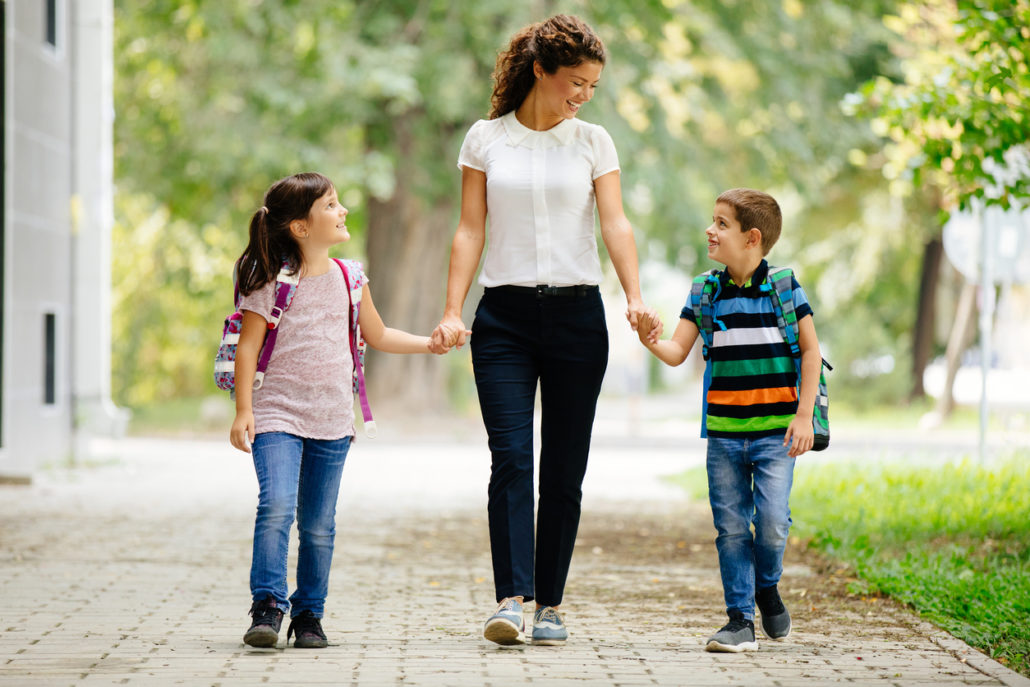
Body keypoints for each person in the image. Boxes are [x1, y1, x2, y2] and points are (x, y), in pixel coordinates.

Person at [429, 15, 661, 646]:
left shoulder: (593, 142)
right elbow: (470, 229)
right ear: (540, 69)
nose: (582, 96)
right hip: (501, 319)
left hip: (577, 320)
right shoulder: (485, 140)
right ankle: (511, 599)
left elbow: (614, 225)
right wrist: (454, 309)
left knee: (564, 466)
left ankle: (551, 605)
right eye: (575, 82)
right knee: (511, 459)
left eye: (592, 86)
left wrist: (635, 297)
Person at [229, 172, 441, 649]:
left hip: (331, 420)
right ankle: (267, 606)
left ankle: (309, 615)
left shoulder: (351, 277)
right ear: (301, 227)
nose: (342, 211)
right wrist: (244, 409)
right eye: (330, 205)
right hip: (277, 415)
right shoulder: (269, 281)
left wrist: (431, 344)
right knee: (276, 507)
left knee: (319, 526)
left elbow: (380, 335)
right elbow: (248, 349)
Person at [633, 188, 822, 652]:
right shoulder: (705, 290)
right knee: (732, 527)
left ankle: (767, 588)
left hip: (776, 436)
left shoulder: (784, 285)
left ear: (751, 237)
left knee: (774, 523)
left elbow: (813, 350)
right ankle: (739, 620)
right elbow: (676, 352)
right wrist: (648, 339)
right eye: (712, 221)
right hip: (723, 436)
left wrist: (804, 417)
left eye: (721, 223)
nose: (709, 230)